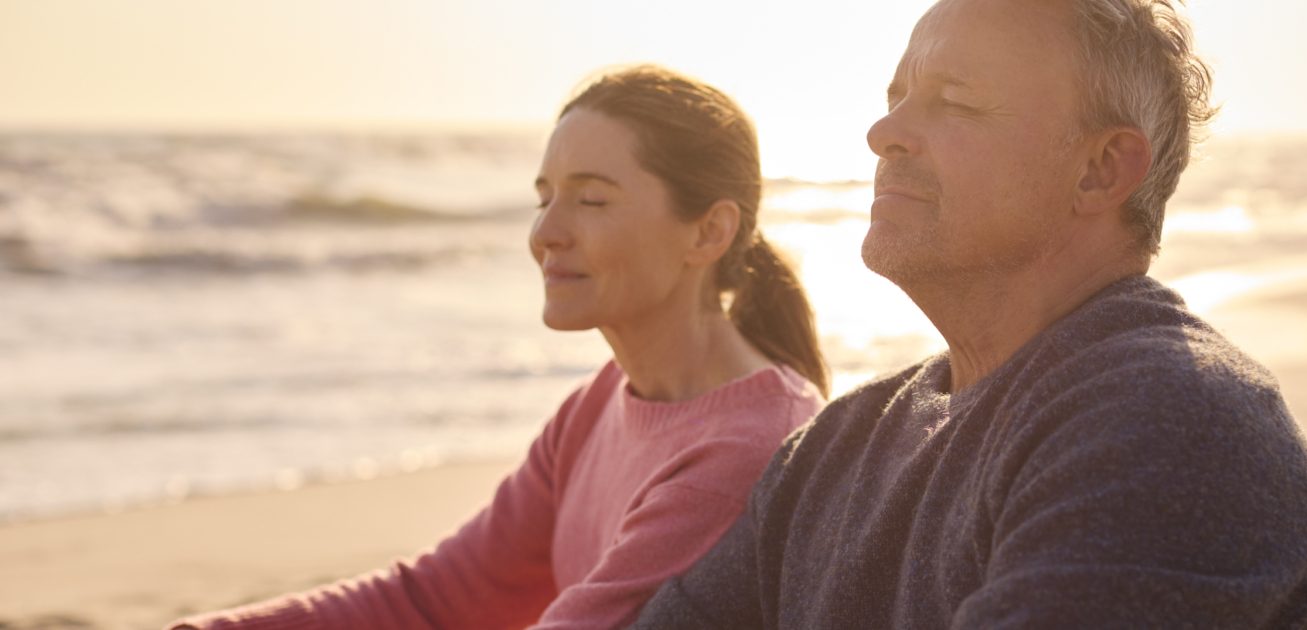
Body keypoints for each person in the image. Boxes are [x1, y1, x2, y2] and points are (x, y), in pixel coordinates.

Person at [632, 0, 1307, 627]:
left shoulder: (1173, 420)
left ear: (1100, 169)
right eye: (898, 96)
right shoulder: (831, 449)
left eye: (954, 100)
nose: (885, 133)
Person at [172, 66, 828, 629]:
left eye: (592, 200)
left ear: (708, 232)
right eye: (544, 199)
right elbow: (431, 602)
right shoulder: (596, 405)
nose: (546, 233)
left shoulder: (746, 448)